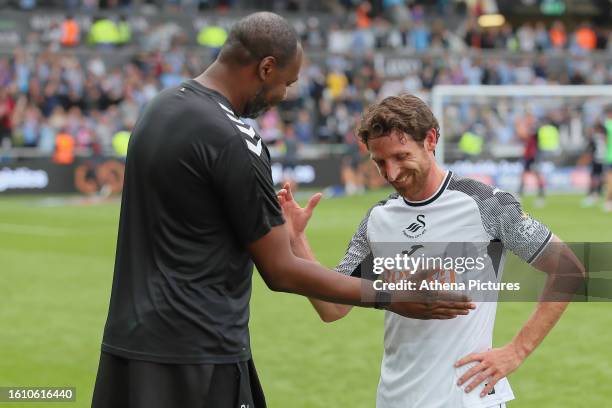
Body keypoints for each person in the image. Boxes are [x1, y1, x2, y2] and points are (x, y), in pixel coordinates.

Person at [92, 13, 474, 408]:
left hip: (128, 349)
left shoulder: (158, 110)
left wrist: (296, 236)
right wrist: (394, 296)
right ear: (265, 68)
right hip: (199, 355)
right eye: (286, 82)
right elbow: (280, 270)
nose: (285, 94)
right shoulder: (235, 138)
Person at [278, 94, 584, 408]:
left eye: (400, 156)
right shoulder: (378, 219)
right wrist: (297, 239)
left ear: (431, 139)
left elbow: (569, 268)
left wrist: (516, 351)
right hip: (394, 400)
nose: (391, 173)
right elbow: (332, 309)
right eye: (380, 162)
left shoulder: (486, 204)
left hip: (467, 400)